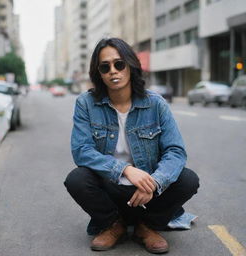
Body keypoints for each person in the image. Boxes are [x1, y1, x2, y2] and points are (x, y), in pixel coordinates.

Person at [64, 37, 199, 254]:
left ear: (130, 65)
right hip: (110, 188)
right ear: (98, 72)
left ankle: (146, 227)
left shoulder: (155, 104)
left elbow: (175, 151)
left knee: (188, 179)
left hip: (147, 192)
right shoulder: (86, 103)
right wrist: (124, 169)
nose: (113, 71)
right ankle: (113, 224)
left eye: (119, 64)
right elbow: (82, 151)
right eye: (105, 66)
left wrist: (154, 182)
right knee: (77, 179)